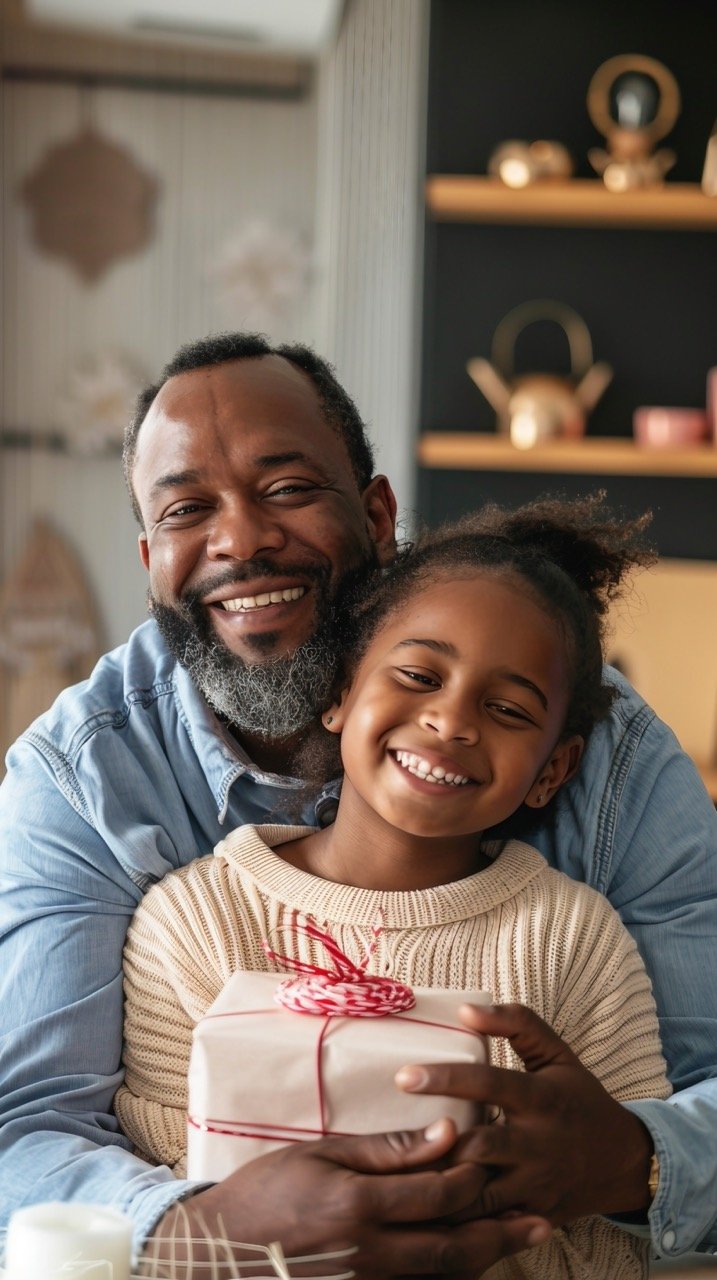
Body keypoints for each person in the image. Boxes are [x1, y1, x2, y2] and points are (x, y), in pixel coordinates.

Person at [0, 332, 715, 1270]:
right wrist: (199, 1226)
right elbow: (24, 1126)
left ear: (377, 514)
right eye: (187, 510)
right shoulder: (84, 779)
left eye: (288, 489)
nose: (242, 540)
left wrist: (631, 1160)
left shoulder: (602, 753)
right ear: (149, 558)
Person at [116, 496, 671, 1280]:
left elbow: (621, 1214)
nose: (450, 721)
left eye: (508, 708)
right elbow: (170, 1188)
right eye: (417, 674)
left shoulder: (569, 938)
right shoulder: (195, 922)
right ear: (340, 694)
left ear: (553, 769)